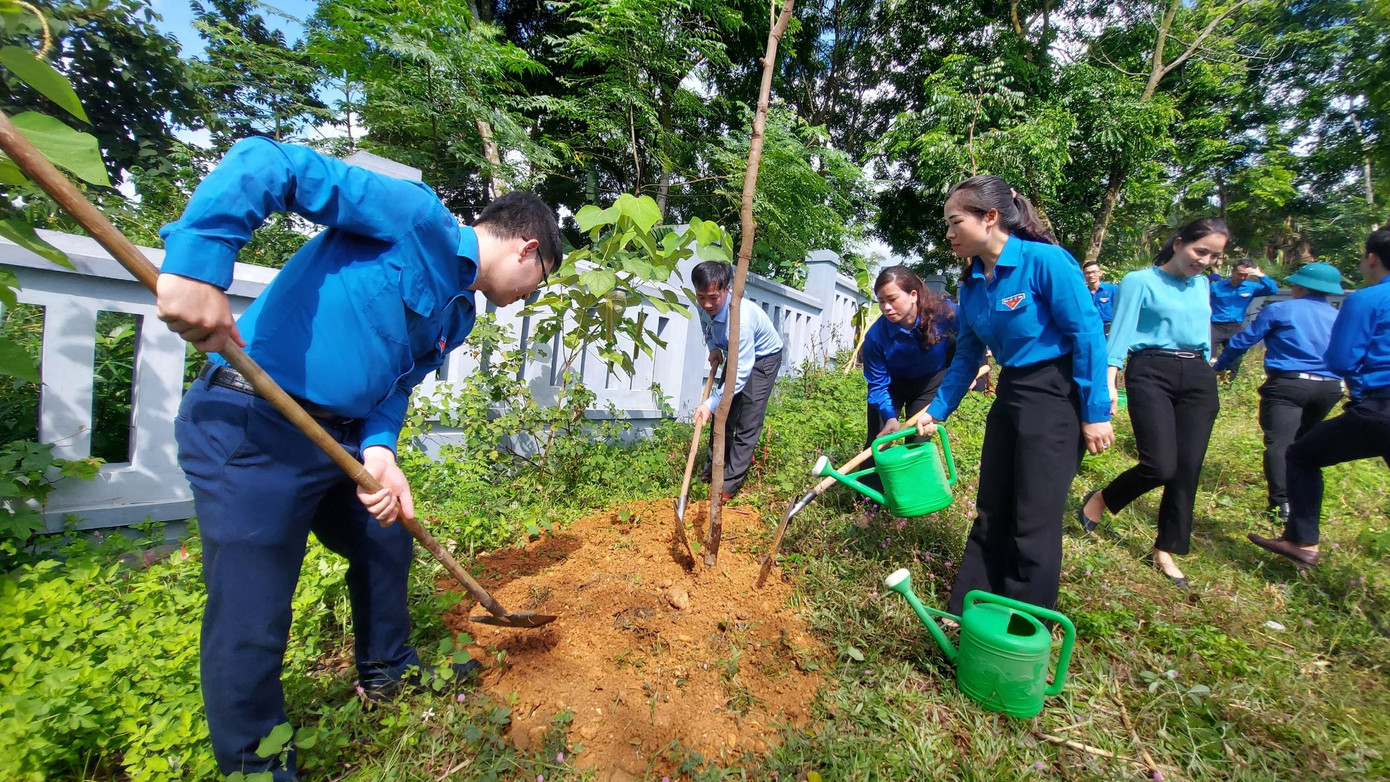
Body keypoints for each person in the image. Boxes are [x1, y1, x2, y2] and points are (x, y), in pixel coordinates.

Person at [155, 137, 561, 782]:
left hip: (337, 443)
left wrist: (380, 449)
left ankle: (387, 674)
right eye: (535, 285)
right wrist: (198, 264)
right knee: (254, 609)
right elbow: (270, 164)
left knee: (384, 539)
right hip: (255, 426)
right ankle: (255, 764)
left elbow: (395, 384)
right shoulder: (413, 216)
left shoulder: (457, 315)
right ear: (527, 249)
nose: (525, 298)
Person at [916, 175, 1112, 615]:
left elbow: (1086, 335)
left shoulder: (1046, 262)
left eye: (954, 222)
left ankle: (1021, 628)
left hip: (1056, 396)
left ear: (990, 218)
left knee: (1033, 519)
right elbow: (967, 356)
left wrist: (1095, 410)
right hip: (1010, 397)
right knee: (991, 509)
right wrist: (938, 410)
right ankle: (970, 612)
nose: (948, 234)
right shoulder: (972, 285)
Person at [1078, 218, 1227, 589]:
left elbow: (1204, 331)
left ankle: (1165, 549)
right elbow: (1122, 331)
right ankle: (1102, 499)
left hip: (1197, 375)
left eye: (1213, 255)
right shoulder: (1139, 281)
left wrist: (1207, 364)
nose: (1205, 260)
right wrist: (1110, 382)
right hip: (1151, 370)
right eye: (1200, 251)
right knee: (1161, 464)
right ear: (1178, 243)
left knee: (1188, 467)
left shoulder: (1203, 285)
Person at [1249, 230, 1390, 568]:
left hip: (1381, 406)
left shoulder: (1366, 299)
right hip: (1345, 397)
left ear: (1372, 258)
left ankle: (1302, 540)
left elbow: (1341, 360)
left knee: (1300, 455)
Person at [1212, 262, 1345, 522]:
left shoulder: (1280, 309)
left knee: (1280, 444)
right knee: (1304, 445)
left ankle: (1282, 504)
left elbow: (1243, 340)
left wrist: (1221, 364)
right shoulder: (1337, 316)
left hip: (1288, 385)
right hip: (1329, 387)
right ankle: (1303, 505)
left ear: (1299, 286)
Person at [691, 261, 784, 502]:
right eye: (702, 297)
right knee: (722, 414)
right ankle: (712, 472)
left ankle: (728, 485)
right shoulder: (703, 304)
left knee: (747, 420)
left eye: (713, 297)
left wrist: (709, 403)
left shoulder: (740, 319)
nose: (707, 304)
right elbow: (706, 326)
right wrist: (713, 347)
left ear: (727, 289)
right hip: (735, 352)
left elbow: (741, 373)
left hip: (763, 358)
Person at [862, 265, 959, 441]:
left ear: (913, 295)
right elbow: (877, 384)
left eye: (892, 299)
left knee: (918, 441)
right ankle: (870, 468)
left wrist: (972, 371)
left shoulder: (945, 314)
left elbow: (973, 334)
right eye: (881, 301)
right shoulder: (875, 337)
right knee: (877, 443)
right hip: (891, 387)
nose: (886, 307)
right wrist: (890, 417)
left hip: (929, 384)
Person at [1208, 259, 1279, 376]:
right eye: (1239, 274)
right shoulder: (1216, 287)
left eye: (1246, 275)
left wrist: (1260, 275)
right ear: (1232, 271)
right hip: (1215, 326)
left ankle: (1229, 384)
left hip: (1235, 326)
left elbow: (1273, 290)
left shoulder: (1251, 287)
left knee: (1236, 358)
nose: (1242, 277)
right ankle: (1208, 380)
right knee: (1208, 356)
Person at [1083, 260, 1119, 335]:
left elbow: (1120, 310)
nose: (1091, 275)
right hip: (1090, 330)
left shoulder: (1112, 289)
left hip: (1109, 330)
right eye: (1087, 273)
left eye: (1094, 272)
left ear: (1100, 273)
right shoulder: (1082, 293)